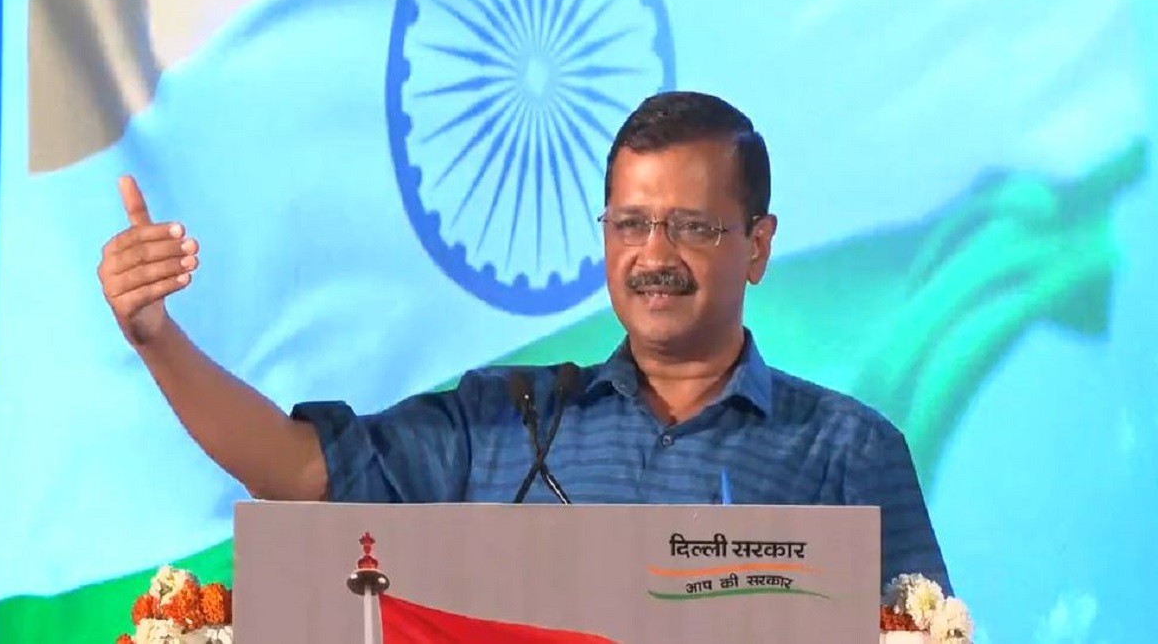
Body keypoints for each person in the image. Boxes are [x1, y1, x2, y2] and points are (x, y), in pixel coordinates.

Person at [97, 90, 951, 592]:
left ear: (757, 246)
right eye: (631, 223)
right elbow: (298, 471)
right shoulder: (504, 423)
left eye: (692, 226)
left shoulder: (848, 451)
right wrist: (156, 337)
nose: (654, 255)